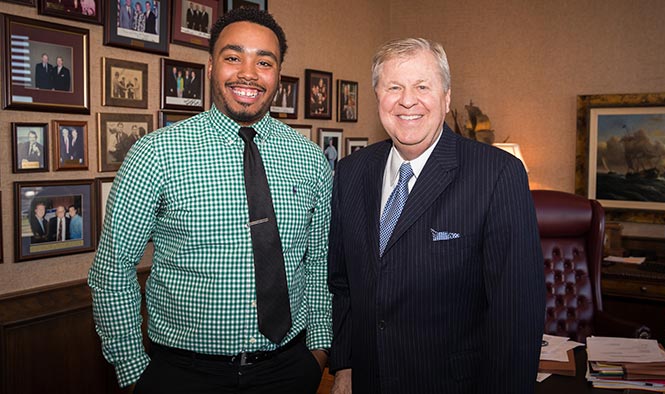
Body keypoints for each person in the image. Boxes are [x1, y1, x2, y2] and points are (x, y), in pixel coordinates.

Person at [89, 7, 332, 393]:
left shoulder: (311, 159)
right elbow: (113, 269)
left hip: (289, 368)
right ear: (210, 67)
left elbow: (318, 263)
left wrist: (317, 351)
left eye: (263, 61)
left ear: (278, 75)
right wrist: (134, 369)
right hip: (185, 374)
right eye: (233, 57)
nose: (248, 73)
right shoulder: (156, 153)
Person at [327, 38, 545, 394]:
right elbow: (343, 285)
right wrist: (345, 365)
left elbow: (517, 315)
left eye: (422, 86)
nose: (407, 100)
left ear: (445, 98)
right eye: (393, 87)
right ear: (378, 97)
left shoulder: (497, 174)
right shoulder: (351, 173)